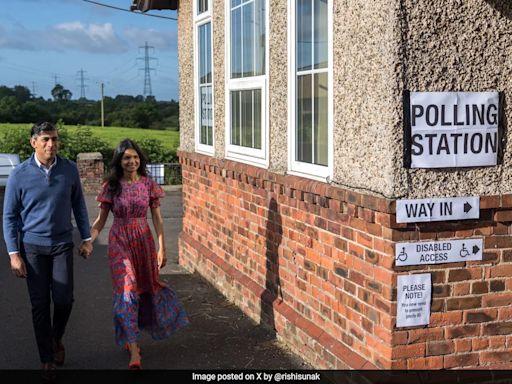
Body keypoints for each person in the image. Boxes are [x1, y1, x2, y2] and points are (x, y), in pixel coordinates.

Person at [3, 122, 93, 378]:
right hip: (32, 248)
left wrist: (86, 238)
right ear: (33, 142)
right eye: (45, 139)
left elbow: (79, 207)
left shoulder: (69, 170)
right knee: (40, 304)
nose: (51, 144)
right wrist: (13, 254)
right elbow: (9, 216)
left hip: (62, 244)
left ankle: (56, 338)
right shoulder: (19, 174)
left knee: (64, 300)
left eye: (54, 139)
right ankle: (47, 359)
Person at [90, 139, 189, 369]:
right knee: (127, 289)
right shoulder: (111, 186)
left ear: (140, 160)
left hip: (143, 240)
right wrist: (89, 241)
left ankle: (130, 332)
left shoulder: (148, 184)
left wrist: (162, 247)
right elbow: (100, 221)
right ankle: (134, 349)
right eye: (126, 157)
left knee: (146, 287)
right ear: (119, 161)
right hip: (119, 241)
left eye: (135, 157)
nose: (131, 161)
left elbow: (157, 218)